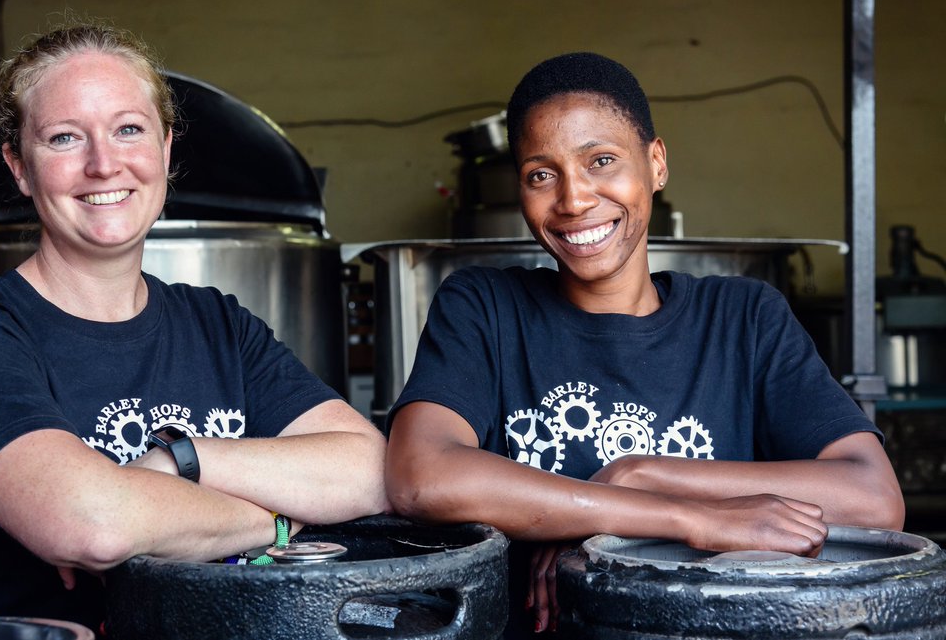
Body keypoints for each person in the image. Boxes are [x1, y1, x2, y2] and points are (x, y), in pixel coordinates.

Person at [384, 52, 904, 638]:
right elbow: (421, 476)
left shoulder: (744, 318)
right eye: (540, 174)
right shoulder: (484, 308)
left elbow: (871, 497)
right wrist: (682, 519)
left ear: (656, 164)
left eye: (601, 161)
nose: (574, 199)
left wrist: (641, 473)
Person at [0, 21, 388, 628]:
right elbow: (94, 524)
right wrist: (282, 517)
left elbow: (371, 469)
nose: (103, 164)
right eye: (63, 138)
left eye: (128, 130)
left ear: (164, 149)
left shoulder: (219, 324)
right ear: (19, 167)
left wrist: (179, 462)